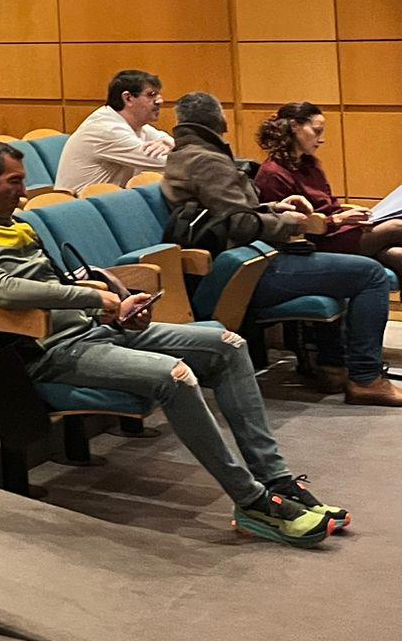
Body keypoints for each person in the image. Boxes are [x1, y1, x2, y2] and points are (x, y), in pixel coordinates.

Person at [0, 140, 345, 543]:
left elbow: (59, 285)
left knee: (228, 345)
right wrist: (93, 298)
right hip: (51, 351)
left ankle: (278, 481)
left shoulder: (14, 223)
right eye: (14, 182)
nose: (25, 192)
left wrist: (114, 304)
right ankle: (253, 501)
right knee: (176, 376)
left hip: (96, 329)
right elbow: (5, 292)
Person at [162, 91, 400, 406]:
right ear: (217, 119)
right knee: (371, 274)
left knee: (380, 262)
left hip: (252, 260)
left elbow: (237, 213)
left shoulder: (193, 155)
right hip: (247, 269)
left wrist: (275, 208)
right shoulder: (206, 160)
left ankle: (337, 365)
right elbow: (241, 225)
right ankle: (366, 379)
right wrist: (296, 222)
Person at [257, 101, 402, 283]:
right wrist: (335, 220)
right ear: (294, 127)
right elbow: (283, 225)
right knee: (395, 227)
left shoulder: (310, 163)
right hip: (315, 241)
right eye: (317, 131)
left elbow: (329, 203)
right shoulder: (273, 173)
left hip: (336, 231)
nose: (322, 139)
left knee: (397, 255)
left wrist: (349, 215)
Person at [53, 70, 172, 192]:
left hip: (106, 202)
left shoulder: (136, 125)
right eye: (151, 95)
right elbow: (166, 163)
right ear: (128, 98)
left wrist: (169, 145)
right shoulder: (107, 129)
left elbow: (175, 144)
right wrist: (172, 149)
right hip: (79, 206)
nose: (160, 101)